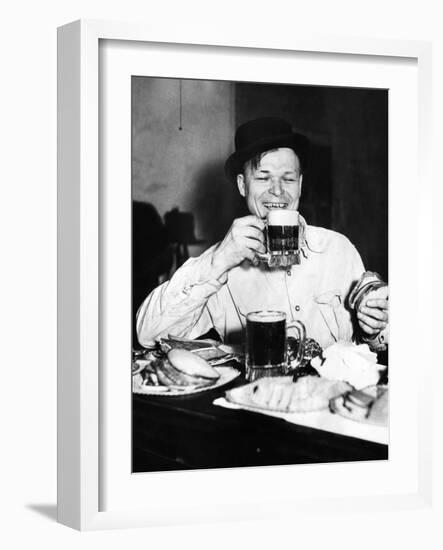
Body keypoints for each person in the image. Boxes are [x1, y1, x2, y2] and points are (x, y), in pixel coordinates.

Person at [136, 117, 389, 352]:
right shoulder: (221, 263)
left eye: (288, 179)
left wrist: (373, 328)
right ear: (242, 185)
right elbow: (148, 335)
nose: (277, 191)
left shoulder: (338, 249)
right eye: (263, 177)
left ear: (300, 185)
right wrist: (218, 261)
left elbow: (377, 344)